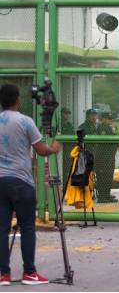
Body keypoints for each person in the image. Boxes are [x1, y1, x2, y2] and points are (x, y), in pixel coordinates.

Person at [0, 84, 62, 285]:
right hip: (21, 181)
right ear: (17, 100)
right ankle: (29, 272)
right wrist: (53, 148)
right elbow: (41, 150)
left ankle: (3, 274)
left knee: (2, 229)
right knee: (27, 227)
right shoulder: (25, 121)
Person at [93, 112, 119, 203]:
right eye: (108, 119)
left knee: (108, 177)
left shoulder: (109, 129)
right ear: (103, 119)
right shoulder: (102, 129)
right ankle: (102, 197)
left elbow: (116, 142)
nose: (110, 121)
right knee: (102, 177)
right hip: (102, 158)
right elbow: (110, 141)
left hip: (109, 157)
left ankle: (107, 195)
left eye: (110, 119)